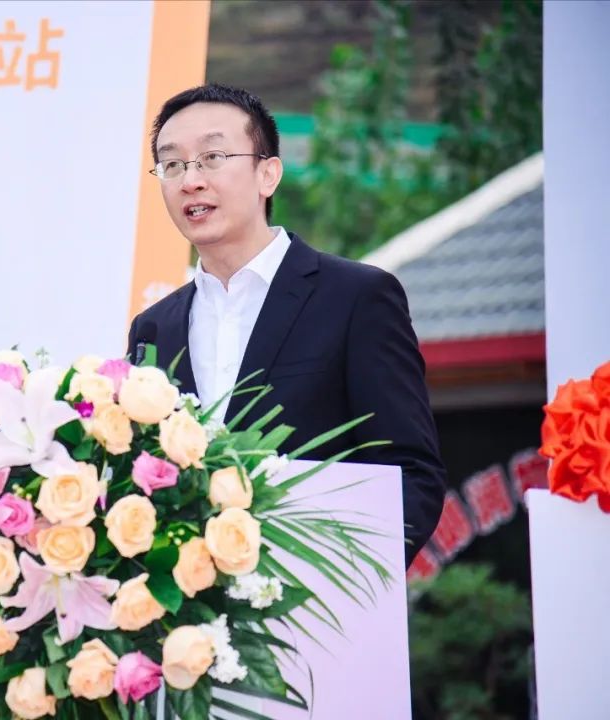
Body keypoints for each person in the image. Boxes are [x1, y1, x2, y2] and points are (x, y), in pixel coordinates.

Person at [126, 84, 445, 566]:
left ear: (268, 174)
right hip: (191, 604)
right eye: (172, 164)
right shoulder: (153, 329)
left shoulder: (357, 298)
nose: (190, 180)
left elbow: (411, 473)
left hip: (317, 596)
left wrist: (340, 584)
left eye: (212, 157)